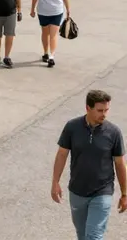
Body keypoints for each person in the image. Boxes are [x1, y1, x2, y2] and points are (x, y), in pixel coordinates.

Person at [52, 89, 127, 239]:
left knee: (93, 235)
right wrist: (55, 182)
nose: (104, 114)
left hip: (102, 191)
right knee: (82, 234)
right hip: (77, 190)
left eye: (106, 110)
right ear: (88, 108)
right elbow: (62, 154)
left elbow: (120, 164)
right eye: (100, 110)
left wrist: (125, 193)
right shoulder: (72, 127)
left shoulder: (114, 132)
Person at [31, 0, 71, 68]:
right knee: (53, 35)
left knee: (45, 33)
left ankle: (45, 53)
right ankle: (52, 56)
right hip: (57, 10)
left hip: (43, 10)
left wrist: (32, 9)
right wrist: (68, 9)